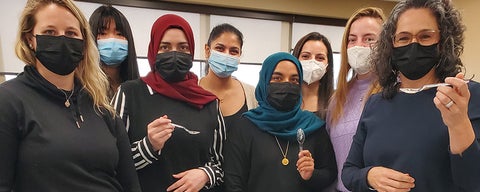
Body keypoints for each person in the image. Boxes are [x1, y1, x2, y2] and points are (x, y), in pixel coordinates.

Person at [0, 0, 141, 191]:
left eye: (71, 33)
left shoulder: (101, 107)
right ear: (30, 39)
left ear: (83, 43)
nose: (62, 40)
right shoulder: (9, 100)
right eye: (50, 32)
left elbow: (130, 183)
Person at [342, 0, 480, 191]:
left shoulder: (465, 97)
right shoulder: (376, 103)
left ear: (443, 41)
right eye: (404, 38)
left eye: (425, 36)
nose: (413, 45)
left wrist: (458, 125)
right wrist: (369, 176)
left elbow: (473, 182)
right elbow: (349, 171)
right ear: (391, 44)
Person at [112, 14, 226, 192]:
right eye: (165, 47)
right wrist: (148, 147)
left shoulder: (209, 103)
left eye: (183, 47)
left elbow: (222, 165)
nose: (174, 54)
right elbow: (110, 162)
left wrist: (205, 174)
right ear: (153, 50)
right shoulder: (130, 93)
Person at [224, 52, 337, 192]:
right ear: (264, 81)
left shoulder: (313, 126)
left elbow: (330, 173)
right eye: (277, 78)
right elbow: (233, 182)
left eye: (294, 80)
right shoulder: (246, 126)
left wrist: (312, 174)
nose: (286, 84)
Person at [325, 7, 385, 192]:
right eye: (352, 40)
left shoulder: (395, 91)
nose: (359, 46)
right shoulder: (338, 98)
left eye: (369, 39)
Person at [199, 23, 257, 131]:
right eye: (220, 49)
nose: (226, 55)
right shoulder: (191, 90)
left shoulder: (252, 94)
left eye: (233, 51)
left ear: (240, 54)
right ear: (207, 51)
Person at [89, 4, 139, 98]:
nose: (112, 38)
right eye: (102, 33)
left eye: (119, 34)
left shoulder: (138, 88)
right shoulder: (83, 88)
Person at [292, 32, 334, 120]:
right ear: (295, 60)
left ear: (328, 66)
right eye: (306, 56)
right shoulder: (285, 98)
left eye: (320, 58)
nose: (312, 61)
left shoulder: (336, 101)